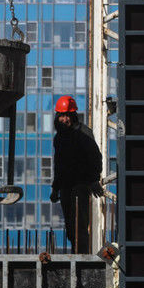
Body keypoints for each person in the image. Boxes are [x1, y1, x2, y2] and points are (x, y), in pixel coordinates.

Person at [49, 95, 103, 253]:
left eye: (67, 116)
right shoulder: (59, 138)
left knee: (80, 225)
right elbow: (58, 165)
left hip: (81, 185)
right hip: (66, 186)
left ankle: (82, 259)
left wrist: (93, 180)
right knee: (71, 228)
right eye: (61, 116)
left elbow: (95, 157)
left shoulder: (84, 133)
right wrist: (55, 188)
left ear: (73, 116)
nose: (64, 119)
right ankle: (76, 254)